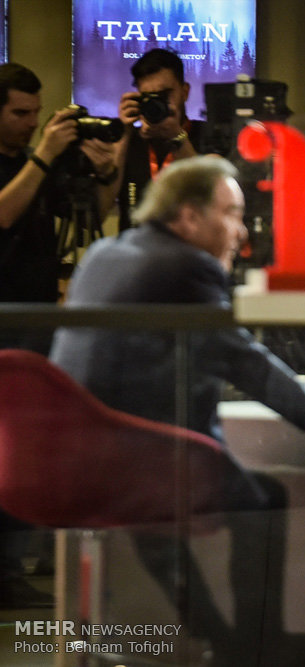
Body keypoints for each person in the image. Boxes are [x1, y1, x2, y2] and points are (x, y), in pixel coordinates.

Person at [49, 155, 305, 666]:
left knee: (153, 514)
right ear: (189, 216)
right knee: (264, 502)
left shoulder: (106, 252)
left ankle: (222, 639)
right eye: (232, 213)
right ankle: (257, 644)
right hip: (142, 459)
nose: (242, 230)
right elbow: (238, 356)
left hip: (73, 460)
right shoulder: (186, 266)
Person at [0, 62, 116, 609]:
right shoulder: (32, 163)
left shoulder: (34, 162)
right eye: (20, 113)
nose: (31, 122)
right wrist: (45, 155)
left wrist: (107, 173)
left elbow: (91, 215)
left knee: (28, 448)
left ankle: (18, 562)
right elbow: (3, 214)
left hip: (38, 320)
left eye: (34, 112)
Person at [103, 48, 203, 231]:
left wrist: (177, 136)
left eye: (164, 95)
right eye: (148, 97)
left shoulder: (207, 134)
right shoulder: (128, 141)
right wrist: (124, 135)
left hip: (189, 248)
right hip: (135, 246)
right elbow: (101, 208)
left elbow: (209, 196)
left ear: (185, 92)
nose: (157, 103)